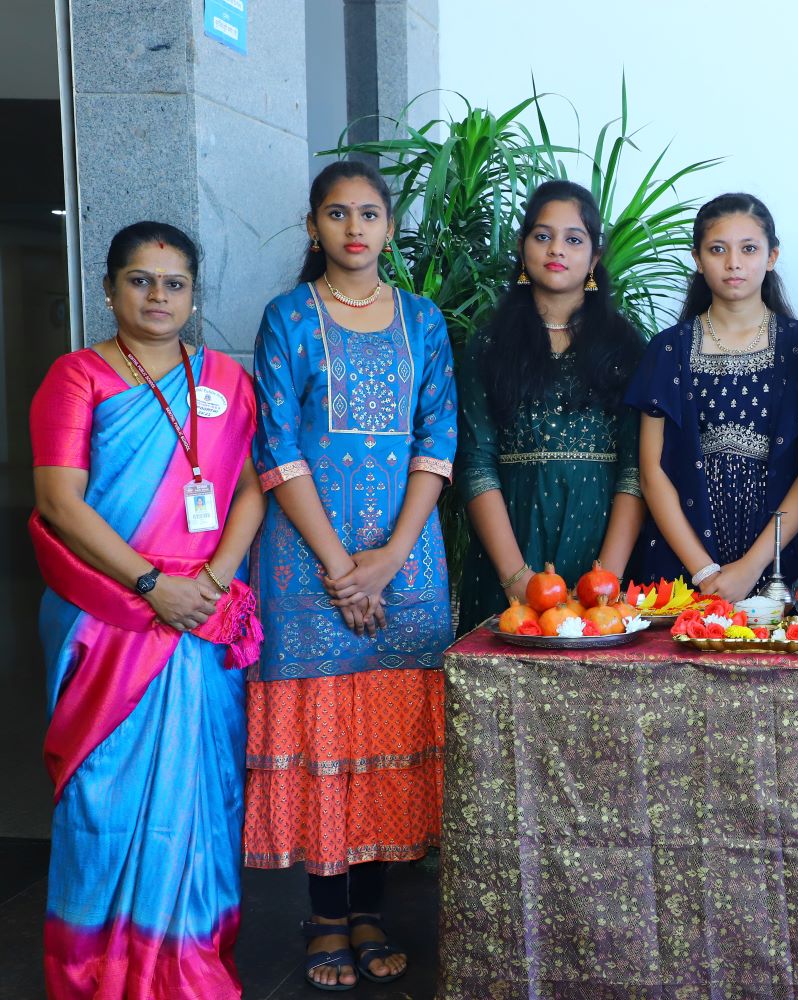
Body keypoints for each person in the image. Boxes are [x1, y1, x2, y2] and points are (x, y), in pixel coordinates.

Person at [31, 222, 264, 998]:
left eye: (174, 283)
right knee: (103, 794)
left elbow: (251, 490)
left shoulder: (227, 381)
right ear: (109, 289)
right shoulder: (78, 378)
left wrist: (215, 584)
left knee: (200, 793)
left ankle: (189, 961)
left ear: (193, 296)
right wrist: (150, 585)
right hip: (109, 617)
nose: (157, 295)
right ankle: (95, 969)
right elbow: (59, 501)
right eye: (140, 280)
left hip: (201, 617)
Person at [247, 160, 457, 990]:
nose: (355, 228)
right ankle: (326, 917)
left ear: (390, 227)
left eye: (370, 214)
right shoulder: (288, 317)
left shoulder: (423, 320)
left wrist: (392, 557)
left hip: (407, 560)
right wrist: (342, 570)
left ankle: (371, 911)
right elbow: (275, 444)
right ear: (314, 227)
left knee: (384, 734)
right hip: (308, 564)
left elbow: (438, 437)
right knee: (327, 735)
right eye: (337, 214)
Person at [457, 179, 646, 629]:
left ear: (594, 258)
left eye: (573, 239)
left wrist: (605, 584)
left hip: (603, 550)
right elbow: (476, 463)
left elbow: (636, 469)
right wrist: (517, 578)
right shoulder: (489, 346)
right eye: (542, 236)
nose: (556, 249)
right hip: (508, 551)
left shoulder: (627, 348)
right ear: (523, 249)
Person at [625, 193, 798, 599]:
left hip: (778, 560)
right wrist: (705, 571)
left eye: (749, 249)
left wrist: (751, 567)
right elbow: (651, 472)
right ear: (697, 259)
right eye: (717, 250)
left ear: (772, 256)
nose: (733, 263)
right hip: (683, 560)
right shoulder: (668, 350)